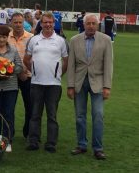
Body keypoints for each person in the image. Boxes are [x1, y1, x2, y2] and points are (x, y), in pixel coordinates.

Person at [67, 14, 113, 160]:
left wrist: (107, 86)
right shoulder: (74, 40)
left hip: (98, 82)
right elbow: (71, 65)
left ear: (98, 25)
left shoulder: (106, 40)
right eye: (89, 23)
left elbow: (108, 65)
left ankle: (98, 148)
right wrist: (70, 85)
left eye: (94, 23)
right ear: (84, 24)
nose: (91, 26)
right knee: (80, 116)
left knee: (98, 115)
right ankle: (81, 145)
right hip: (79, 82)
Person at [24, 12, 68, 153]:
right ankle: (34, 141)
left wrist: (57, 74)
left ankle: (51, 143)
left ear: (54, 24)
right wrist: (36, 71)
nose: (48, 25)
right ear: (40, 23)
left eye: (50, 22)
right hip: (36, 83)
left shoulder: (60, 41)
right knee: (35, 114)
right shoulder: (34, 40)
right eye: (45, 22)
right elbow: (26, 59)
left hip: (54, 85)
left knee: (52, 115)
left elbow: (66, 61)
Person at [8, 12, 33, 138]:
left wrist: (25, 71)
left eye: (20, 22)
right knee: (9, 107)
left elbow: (34, 58)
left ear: (24, 23)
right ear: (11, 23)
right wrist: (18, 72)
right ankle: (9, 133)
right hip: (10, 77)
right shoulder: (5, 37)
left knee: (30, 106)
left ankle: (28, 133)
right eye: (15, 22)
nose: (18, 25)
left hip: (28, 77)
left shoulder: (31, 38)